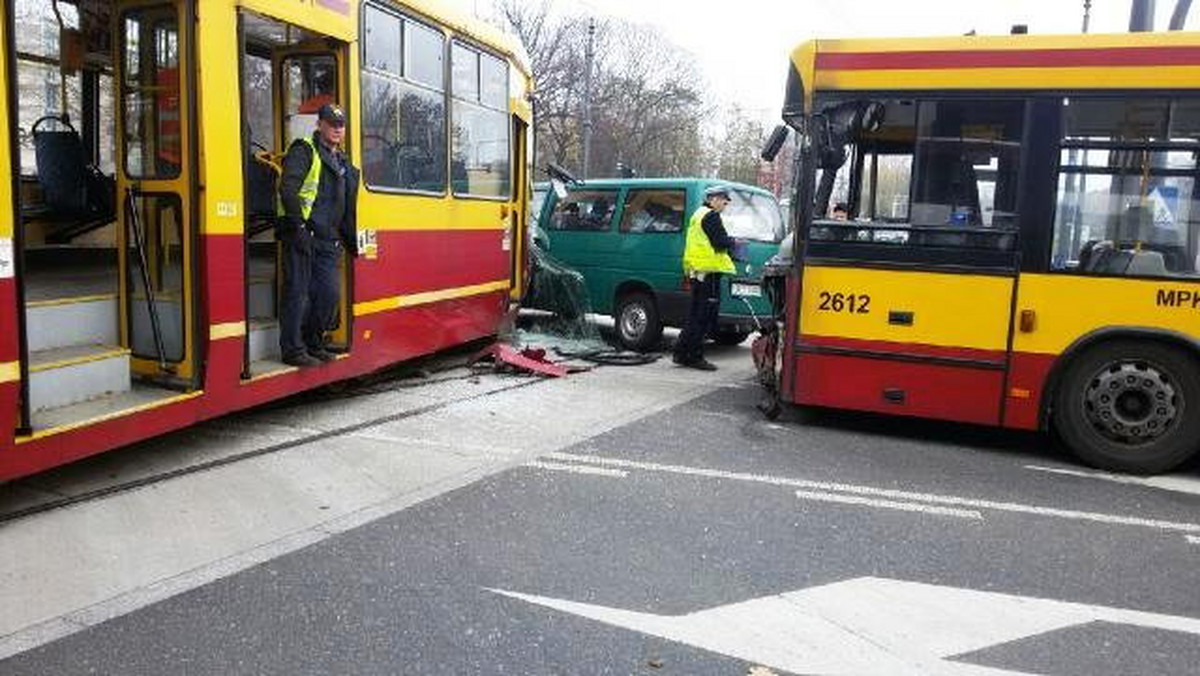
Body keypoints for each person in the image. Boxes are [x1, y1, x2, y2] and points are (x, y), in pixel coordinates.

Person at [277, 103, 360, 367]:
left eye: (340, 125)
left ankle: (313, 342)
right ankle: (293, 350)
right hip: (303, 234)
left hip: (328, 240)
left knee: (328, 295)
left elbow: (346, 205)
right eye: (331, 123)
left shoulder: (343, 161)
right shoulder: (304, 149)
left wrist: (348, 239)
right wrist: (298, 227)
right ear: (319, 124)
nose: (336, 128)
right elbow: (288, 189)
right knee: (297, 292)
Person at [673, 185, 739, 371]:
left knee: (694, 315)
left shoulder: (698, 214)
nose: (725, 203)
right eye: (723, 199)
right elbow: (719, 241)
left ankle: (681, 353)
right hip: (708, 274)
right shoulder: (711, 216)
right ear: (713, 199)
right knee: (704, 316)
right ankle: (695, 356)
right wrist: (733, 242)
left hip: (698, 272)